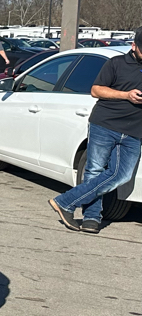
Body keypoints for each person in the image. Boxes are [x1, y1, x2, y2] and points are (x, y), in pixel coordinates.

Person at [49, 27, 142, 233]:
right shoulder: (116, 63)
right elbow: (96, 90)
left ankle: (65, 201)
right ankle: (92, 216)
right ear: (134, 45)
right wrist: (126, 95)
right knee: (94, 170)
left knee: (121, 175)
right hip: (105, 124)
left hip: (135, 131)